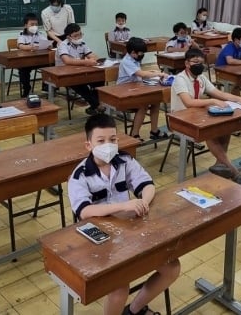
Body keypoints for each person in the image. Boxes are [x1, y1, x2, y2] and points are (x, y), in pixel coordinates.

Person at [68, 114, 180, 315]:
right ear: (88, 145)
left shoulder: (125, 160)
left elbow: (147, 185)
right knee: (119, 288)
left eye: (112, 139)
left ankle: (134, 310)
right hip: (96, 239)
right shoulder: (80, 175)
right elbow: (84, 211)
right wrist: (123, 206)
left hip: (128, 230)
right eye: (101, 141)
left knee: (171, 267)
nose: (108, 145)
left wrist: (143, 202)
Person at [171, 48, 241, 186]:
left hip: (196, 114)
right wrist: (211, 101)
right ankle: (234, 172)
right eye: (195, 62)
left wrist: (239, 99)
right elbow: (188, 102)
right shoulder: (180, 79)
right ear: (187, 63)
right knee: (210, 132)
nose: (199, 65)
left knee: (226, 126)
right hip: (180, 119)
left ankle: (220, 164)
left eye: (201, 62)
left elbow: (217, 93)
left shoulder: (201, 78)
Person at [117, 37, 167, 141]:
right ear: (132, 52)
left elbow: (140, 74)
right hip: (124, 93)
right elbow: (141, 74)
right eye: (140, 53)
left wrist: (152, 72)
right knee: (143, 105)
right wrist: (158, 73)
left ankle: (154, 131)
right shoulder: (126, 61)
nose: (142, 55)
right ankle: (135, 134)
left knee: (156, 101)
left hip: (136, 88)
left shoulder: (134, 58)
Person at [56, 23, 105, 115]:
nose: (78, 37)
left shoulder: (82, 44)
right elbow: (67, 61)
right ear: (69, 37)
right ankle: (97, 105)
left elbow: (91, 55)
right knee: (81, 85)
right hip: (65, 75)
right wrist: (86, 62)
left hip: (80, 72)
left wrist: (96, 59)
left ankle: (94, 106)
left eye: (80, 34)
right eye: (75, 35)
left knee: (99, 80)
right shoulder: (63, 45)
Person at [16, 12, 50, 97]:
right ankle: (27, 89)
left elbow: (48, 43)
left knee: (51, 64)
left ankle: (47, 87)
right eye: (32, 24)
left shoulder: (40, 34)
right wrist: (30, 47)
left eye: (36, 24)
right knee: (23, 70)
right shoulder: (22, 34)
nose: (34, 26)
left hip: (39, 60)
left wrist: (49, 45)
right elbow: (20, 46)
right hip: (26, 61)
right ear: (25, 25)